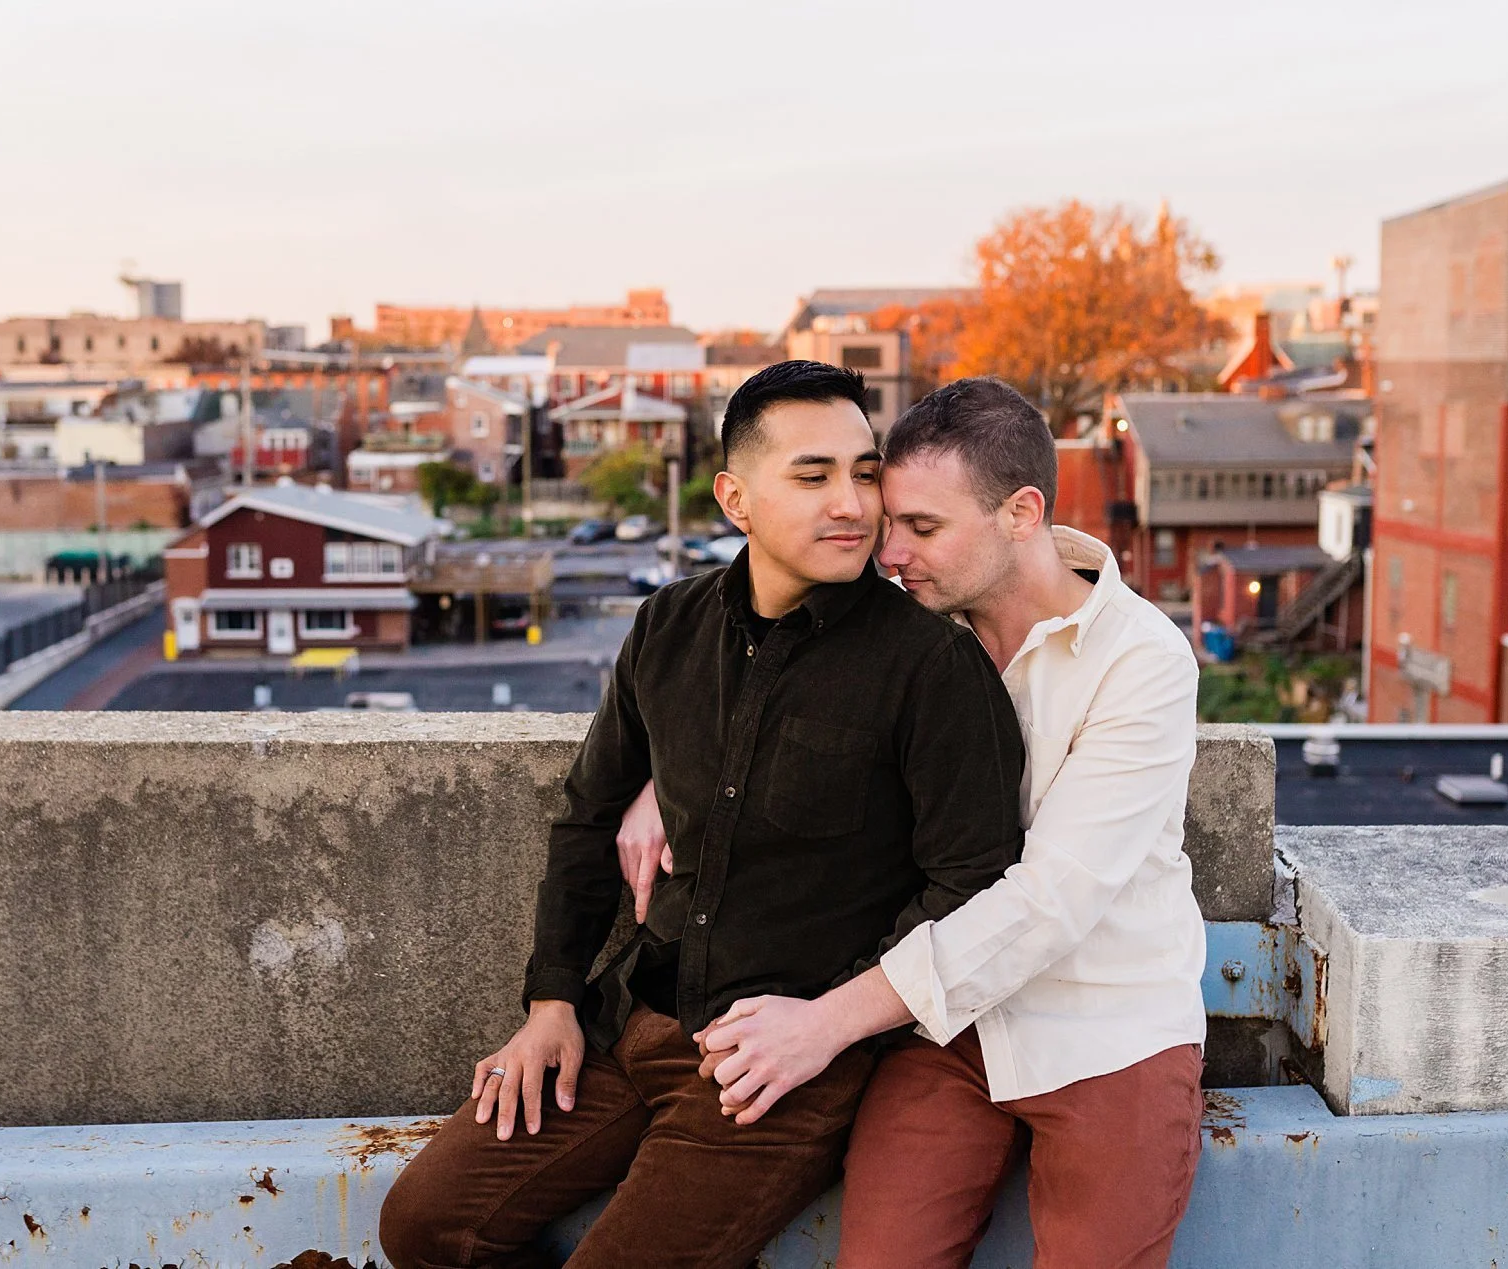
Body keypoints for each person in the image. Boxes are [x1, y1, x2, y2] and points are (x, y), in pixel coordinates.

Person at [378, 361, 1025, 1269]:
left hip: (776, 1071)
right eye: (813, 475)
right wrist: (553, 999)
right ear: (735, 497)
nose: (853, 503)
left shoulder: (931, 666)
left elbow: (974, 883)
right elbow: (586, 817)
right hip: (625, 1023)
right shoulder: (667, 627)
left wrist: (832, 1023)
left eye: (865, 471)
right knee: (424, 1225)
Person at [618, 377, 1207, 1268]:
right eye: (890, 521)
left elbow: (1050, 902)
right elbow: (760, 703)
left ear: (1021, 513)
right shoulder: (919, 635)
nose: (888, 550)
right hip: (945, 1035)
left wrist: (825, 1022)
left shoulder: (1142, 661)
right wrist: (670, 779)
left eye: (921, 528)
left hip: (1106, 1027)